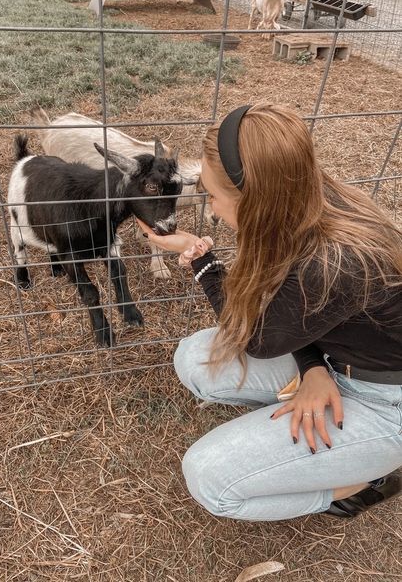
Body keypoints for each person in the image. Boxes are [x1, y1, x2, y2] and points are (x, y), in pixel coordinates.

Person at [137, 103, 402, 521]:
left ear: (256, 199)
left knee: (210, 479)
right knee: (195, 357)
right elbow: (289, 317)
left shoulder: (333, 261)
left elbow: (255, 337)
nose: (210, 209)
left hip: (385, 401)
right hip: (338, 359)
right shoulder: (303, 203)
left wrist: (202, 264)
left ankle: (362, 482)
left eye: (213, 196)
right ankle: (305, 433)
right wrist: (313, 367)